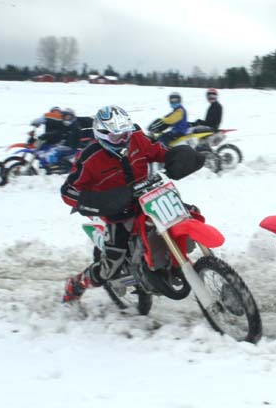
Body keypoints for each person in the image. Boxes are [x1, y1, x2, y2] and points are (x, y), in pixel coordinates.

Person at [60, 105, 204, 302]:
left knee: (188, 214)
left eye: (125, 133)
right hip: (117, 211)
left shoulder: (136, 137)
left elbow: (158, 151)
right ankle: (77, 284)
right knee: (112, 260)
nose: (123, 140)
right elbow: (69, 191)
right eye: (116, 137)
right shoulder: (89, 158)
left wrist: (179, 156)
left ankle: (177, 262)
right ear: (101, 135)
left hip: (149, 198)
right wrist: (99, 201)